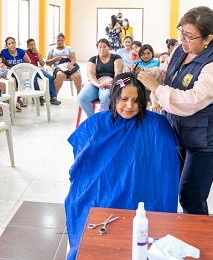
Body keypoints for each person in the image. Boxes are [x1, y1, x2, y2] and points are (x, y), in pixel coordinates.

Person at [65, 72, 179, 260]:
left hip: (145, 193)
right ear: (114, 98)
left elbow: (165, 170)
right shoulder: (97, 123)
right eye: (124, 99)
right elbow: (80, 160)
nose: (129, 106)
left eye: (136, 101)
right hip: (103, 189)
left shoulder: (157, 125)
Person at [137, 6, 213, 215]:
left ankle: (198, 241)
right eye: (181, 32)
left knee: (192, 195)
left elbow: (192, 101)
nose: (183, 40)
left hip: (208, 139)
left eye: (190, 36)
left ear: (208, 38)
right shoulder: (182, 49)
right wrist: (151, 74)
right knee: (176, 184)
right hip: (182, 131)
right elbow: (167, 72)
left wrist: (156, 88)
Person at [77, 39, 123, 118]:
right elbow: (91, 74)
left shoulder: (116, 57)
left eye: (104, 46)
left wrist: (113, 84)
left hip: (110, 84)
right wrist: (98, 84)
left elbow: (118, 72)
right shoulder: (93, 59)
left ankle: (103, 119)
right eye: (100, 47)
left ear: (109, 47)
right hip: (95, 83)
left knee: (105, 97)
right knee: (81, 98)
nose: (102, 49)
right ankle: (92, 119)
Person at [25, 38, 61, 105]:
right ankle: (40, 97)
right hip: (29, 70)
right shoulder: (25, 52)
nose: (33, 46)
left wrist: (37, 53)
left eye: (34, 45)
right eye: (31, 45)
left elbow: (42, 64)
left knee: (50, 77)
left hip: (37, 69)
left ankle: (53, 97)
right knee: (34, 78)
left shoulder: (37, 53)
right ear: (27, 46)